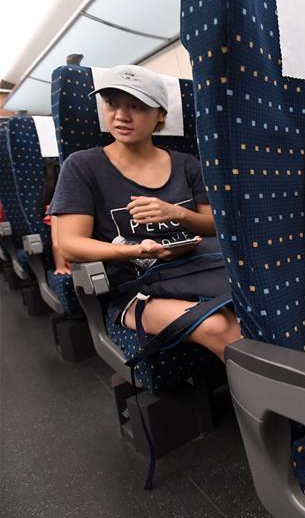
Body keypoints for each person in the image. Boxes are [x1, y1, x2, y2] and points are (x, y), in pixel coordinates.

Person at [51, 65, 240, 360]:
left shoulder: (187, 164)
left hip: (197, 269)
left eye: (136, 106)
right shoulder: (82, 166)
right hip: (136, 287)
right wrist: (138, 250)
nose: (121, 116)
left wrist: (177, 214)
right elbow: (70, 245)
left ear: (160, 115)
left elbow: (214, 226)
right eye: (112, 103)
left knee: (251, 307)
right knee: (219, 327)